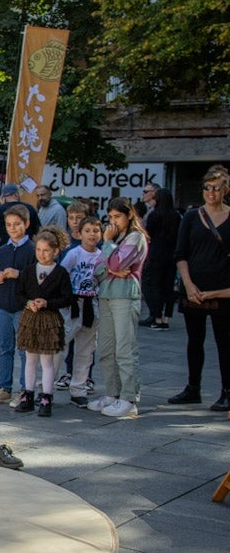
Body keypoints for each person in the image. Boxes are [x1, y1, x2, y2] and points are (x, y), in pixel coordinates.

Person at [167, 165, 230, 411]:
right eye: (207, 188)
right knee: (195, 340)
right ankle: (193, 387)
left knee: (224, 341)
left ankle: (227, 391)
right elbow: (180, 253)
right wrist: (188, 284)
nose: (211, 193)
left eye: (216, 188)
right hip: (193, 288)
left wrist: (216, 292)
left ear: (225, 189)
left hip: (222, 290)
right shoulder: (192, 216)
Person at [88, 197, 149, 419]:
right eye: (110, 217)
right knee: (106, 348)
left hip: (124, 296)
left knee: (125, 349)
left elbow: (113, 264)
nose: (113, 222)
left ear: (129, 215)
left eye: (117, 217)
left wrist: (109, 250)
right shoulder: (117, 238)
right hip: (106, 295)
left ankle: (129, 398)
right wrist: (113, 265)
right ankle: (112, 394)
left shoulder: (135, 237)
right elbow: (98, 270)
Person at [13, 226, 75, 417]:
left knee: (47, 361)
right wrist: (28, 303)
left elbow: (67, 298)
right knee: (30, 359)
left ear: (55, 251)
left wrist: (47, 303)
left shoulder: (60, 272)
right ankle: (28, 394)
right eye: (38, 250)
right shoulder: (29, 270)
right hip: (30, 318)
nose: (42, 254)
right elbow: (19, 293)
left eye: (46, 250)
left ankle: (46, 396)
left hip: (49, 319)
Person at [0, 204, 35, 404]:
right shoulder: (2, 250)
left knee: (24, 350)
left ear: (26, 224)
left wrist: (19, 274)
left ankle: (25, 389)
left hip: (22, 305)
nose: (12, 228)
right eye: (8, 225)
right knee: (5, 347)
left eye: (17, 224)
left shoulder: (32, 249)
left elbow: (37, 278)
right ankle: (4, 387)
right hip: (3, 303)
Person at [58, 216, 103, 408]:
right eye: (88, 231)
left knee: (86, 350)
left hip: (91, 303)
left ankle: (79, 389)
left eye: (95, 231)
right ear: (80, 233)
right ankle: (46, 387)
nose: (92, 235)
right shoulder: (73, 254)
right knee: (61, 347)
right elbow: (61, 274)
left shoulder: (102, 255)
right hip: (73, 303)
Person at [140, 186, 181, 330]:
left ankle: (157, 317)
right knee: (169, 287)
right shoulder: (176, 216)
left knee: (155, 285)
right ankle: (166, 318)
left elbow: (148, 235)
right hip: (171, 255)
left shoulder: (154, 215)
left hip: (156, 253)